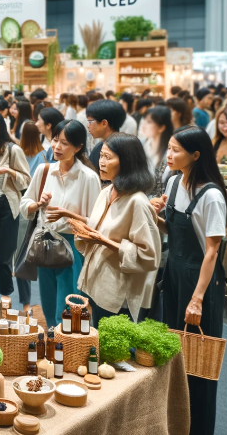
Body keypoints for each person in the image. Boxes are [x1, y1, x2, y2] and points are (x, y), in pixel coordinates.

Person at [151, 127, 227, 435]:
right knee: (174, 352)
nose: (169, 155)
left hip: (201, 281)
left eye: (176, 150)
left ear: (196, 155)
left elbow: (212, 251)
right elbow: (173, 230)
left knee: (200, 363)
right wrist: (154, 215)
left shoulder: (211, 195)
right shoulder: (173, 181)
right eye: (168, 148)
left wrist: (197, 299)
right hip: (174, 274)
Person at [19, 120, 101, 324]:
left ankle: (67, 348)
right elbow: (25, 205)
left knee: (67, 306)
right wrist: (38, 204)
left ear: (78, 147)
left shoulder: (88, 177)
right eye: (55, 140)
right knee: (47, 302)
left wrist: (68, 214)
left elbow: (96, 223)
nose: (57, 147)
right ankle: (53, 344)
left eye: (64, 143)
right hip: (45, 242)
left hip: (73, 245)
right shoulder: (44, 170)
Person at [75, 133, 161, 324]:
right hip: (96, 282)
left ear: (127, 162)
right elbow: (97, 228)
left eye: (108, 157)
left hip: (118, 293)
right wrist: (73, 220)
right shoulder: (107, 191)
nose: (101, 162)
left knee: (115, 350)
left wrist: (103, 241)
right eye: (101, 156)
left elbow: (149, 256)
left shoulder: (138, 202)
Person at [0, 109, 30, 299]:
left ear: (0, 124)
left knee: (5, 256)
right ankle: (5, 297)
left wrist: (7, 171)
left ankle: (6, 295)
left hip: (8, 204)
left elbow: (26, 179)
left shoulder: (12, 149)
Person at [85, 99, 126, 176]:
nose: (88, 126)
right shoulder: (100, 145)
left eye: (90, 122)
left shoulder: (120, 148)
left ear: (104, 123)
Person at [140, 106, 174, 199]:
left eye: (149, 122)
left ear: (161, 127)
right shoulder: (141, 144)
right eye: (144, 121)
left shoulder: (171, 152)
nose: (144, 126)